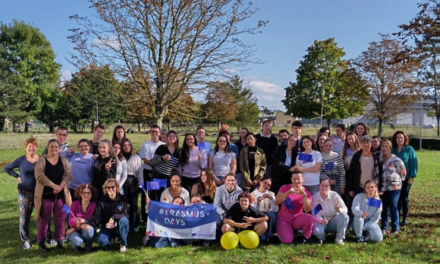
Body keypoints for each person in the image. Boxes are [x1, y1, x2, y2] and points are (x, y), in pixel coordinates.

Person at [34, 139, 72, 252]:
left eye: (56, 147)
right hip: (45, 195)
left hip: (61, 196)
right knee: (43, 219)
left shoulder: (63, 160)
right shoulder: (42, 160)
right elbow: (39, 175)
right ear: (47, 147)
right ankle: (41, 242)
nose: (54, 149)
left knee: (60, 218)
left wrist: (60, 186)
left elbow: (68, 174)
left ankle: (60, 241)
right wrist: (53, 186)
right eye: (52, 146)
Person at [4, 138, 39, 249]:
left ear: (36, 147)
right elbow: (7, 168)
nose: (31, 148)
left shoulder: (42, 159)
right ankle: (25, 239)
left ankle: (43, 237)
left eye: (33, 146)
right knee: (24, 217)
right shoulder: (21, 160)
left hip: (39, 192)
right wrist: (17, 176)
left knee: (42, 216)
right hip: (24, 192)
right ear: (25, 148)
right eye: (29, 146)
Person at [86, 178, 129, 252]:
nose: (111, 189)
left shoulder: (123, 198)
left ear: (117, 188)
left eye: (113, 187)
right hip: (107, 227)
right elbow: (96, 217)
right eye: (108, 187)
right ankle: (109, 245)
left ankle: (123, 243)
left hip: (119, 226)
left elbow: (126, 214)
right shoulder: (101, 201)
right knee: (101, 241)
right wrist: (85, 221)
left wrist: (113, 217)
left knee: (124, 220)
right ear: (105, 189)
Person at [275, 170, 314, 244]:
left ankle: (305, 236)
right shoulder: (285, 187)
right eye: (294, 179)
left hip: (297, 218)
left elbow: (307, 209)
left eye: (298, 179)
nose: (296, 181)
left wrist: (304, 195)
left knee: (309, 218)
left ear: (303, 179)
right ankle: (288, 232)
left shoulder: (307, 193)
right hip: (284, 218)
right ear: (291, 179)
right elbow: (277, 201)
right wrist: (287, 193)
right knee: (287, 241)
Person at [391, 131, 418, 226]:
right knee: (397, 198)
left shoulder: (409, 149)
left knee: (404, 197)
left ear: (404, 139)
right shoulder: (393, 150)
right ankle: (397, 216)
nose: (399, 139)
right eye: (397, 138)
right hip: (394, 179)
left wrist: (412, 176)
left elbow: (413, 163)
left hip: (406, 178)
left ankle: (405, 217)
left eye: (401, 138)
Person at [380, 139, 406, 235]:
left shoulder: (396, 160)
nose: (384, 148)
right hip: (381, 187)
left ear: (390, 148)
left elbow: (403, 173)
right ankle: (384, 227)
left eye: (386, 146)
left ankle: (395, 228)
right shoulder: (379, 158)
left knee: (393, 206)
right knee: (383, 207)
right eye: (382, 146)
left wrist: (396, 180)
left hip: (394, 187)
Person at [312, 179, 349, 245]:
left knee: (345, 216)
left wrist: (339, 210)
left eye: (326, 186)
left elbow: (345, 209)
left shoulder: (335, 195)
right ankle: (321, 238)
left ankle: (339, 238)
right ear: (319, 186)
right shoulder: (314, 197)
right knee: (316, 231)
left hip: (333, 221)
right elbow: (315, 214)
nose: (324, 187)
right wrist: (321, 220)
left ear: (329, 188)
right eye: (322, 185)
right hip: (321, 221)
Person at [140, 125, 165, 223]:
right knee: (149, 196)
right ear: (150, 132)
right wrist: (158, 162)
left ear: (159, 133)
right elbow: (146, 160)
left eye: (156, 131)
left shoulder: (163, 145)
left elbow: (166, 161)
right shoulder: (146, 145)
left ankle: (159, 217)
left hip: (160, 174)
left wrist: (157, 162)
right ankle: (147, 218)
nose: (154, 133)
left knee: (159, 194)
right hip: (150, 173)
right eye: (152, 131)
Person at [67, 184, 97, 252]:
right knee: (77, 241)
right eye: (84, 192)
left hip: (87, 228)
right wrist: (80, 226)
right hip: (76, 229)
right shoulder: (74, 204)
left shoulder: (94, 205)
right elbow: (71, 220)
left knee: (88, 230)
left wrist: (82, 224)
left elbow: (94, 220)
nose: (86, 194)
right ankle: (77, 248)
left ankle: (88, 246)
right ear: (80, 194)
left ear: (92, 194)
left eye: (88, 192)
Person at [121, 139, 143, 232]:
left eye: (128, 145)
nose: (126, 147)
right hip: (122, 181)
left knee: (133, 204)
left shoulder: (136, 157)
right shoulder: (119, 157)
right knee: (123, 203)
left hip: (132, 181)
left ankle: (134, 224)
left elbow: (139, 171)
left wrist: (140, 183)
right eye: (124, 145)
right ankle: (124, 223)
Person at [251, 178, 278, 242]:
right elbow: (251, 210)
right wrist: (257, 203)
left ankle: (269, 235)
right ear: (260, 182)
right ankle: (262, 236)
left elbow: (276, 210)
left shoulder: (271, 194)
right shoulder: (252, 194)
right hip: (258, 214)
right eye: (265, 183)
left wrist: (271, 199)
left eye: (268, 185)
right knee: (263, 239)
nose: (266, 186)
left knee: (272, 214)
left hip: (268, 215)